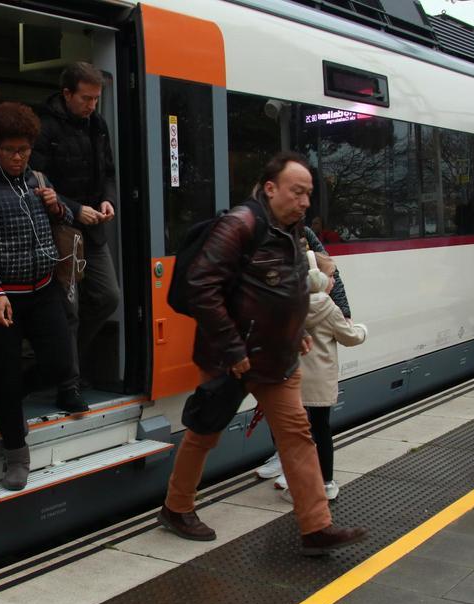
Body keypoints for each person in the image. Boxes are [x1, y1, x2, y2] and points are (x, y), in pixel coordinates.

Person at [157, 151, 368, 555]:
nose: (305, 201)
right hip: (230, 358)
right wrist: (233, 347)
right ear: (270, 188)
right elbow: (202, 287)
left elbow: (288, 289)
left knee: (297, 435)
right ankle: (176, 508)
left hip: (278, 356)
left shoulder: (293, 229)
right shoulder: (240, 224)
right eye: (297, 192)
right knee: (205, 433)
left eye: (309, 194)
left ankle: (316, 526)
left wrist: (295, 331)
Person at [0, 102, 87, 491]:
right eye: (10, 150)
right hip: (3, 299)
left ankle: (12, 393)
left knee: (59, 365)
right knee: (4, 374)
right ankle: (16, 454)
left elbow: (64, 218)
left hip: (44, 289)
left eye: (24, 149)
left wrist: (58, 208)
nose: (18, 157)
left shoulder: (36, 179)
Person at [33, 62, 120, 397]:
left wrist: (107, 201)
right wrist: (73, 209)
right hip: (59, 229)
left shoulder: (97, 125)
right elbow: (36, 181)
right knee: (69, 309)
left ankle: (59, 362)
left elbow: (108, 172)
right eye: (86, 98)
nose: (92, 106)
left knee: (108, 296)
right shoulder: (45, 126)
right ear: (66, 93)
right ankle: (68, 383)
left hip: (94, 229)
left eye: (96, 99)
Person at [256, 219, 350, 480]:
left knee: (297, 407)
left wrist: (345, 311)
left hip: (297, 329)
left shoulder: (304, 234)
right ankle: (288, 459)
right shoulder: (256, 235)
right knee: (278, 405)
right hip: (278, 329)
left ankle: (296, 466)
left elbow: (332, 271)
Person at [274, 268, 367, 501]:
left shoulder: (292, 309)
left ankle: (295, 484)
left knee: (297, 434)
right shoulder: (330, 308)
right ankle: (326, 483)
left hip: (294, 379)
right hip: (321, 381)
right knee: (321, 430)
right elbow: (350, 338)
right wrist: (362, 330)